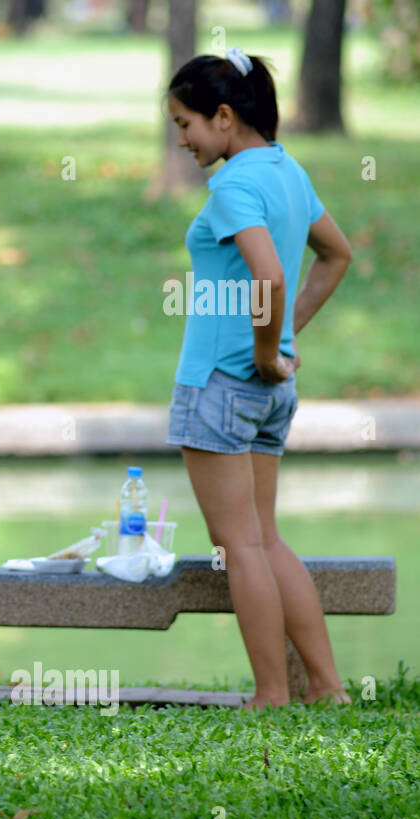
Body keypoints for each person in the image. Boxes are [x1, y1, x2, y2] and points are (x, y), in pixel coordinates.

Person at [164, 48, 354, 709]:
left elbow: (270, 275)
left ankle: (271, 695)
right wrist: (284, 342)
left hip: (221, 383)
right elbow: (336, 254)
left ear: (223, 117)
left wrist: (268, 347)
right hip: (268, 392)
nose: (181, 140)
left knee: (239, 545)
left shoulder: (234, 185)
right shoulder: (288, 171)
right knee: (266, 538)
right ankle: (327, 688)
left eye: (185, 124)